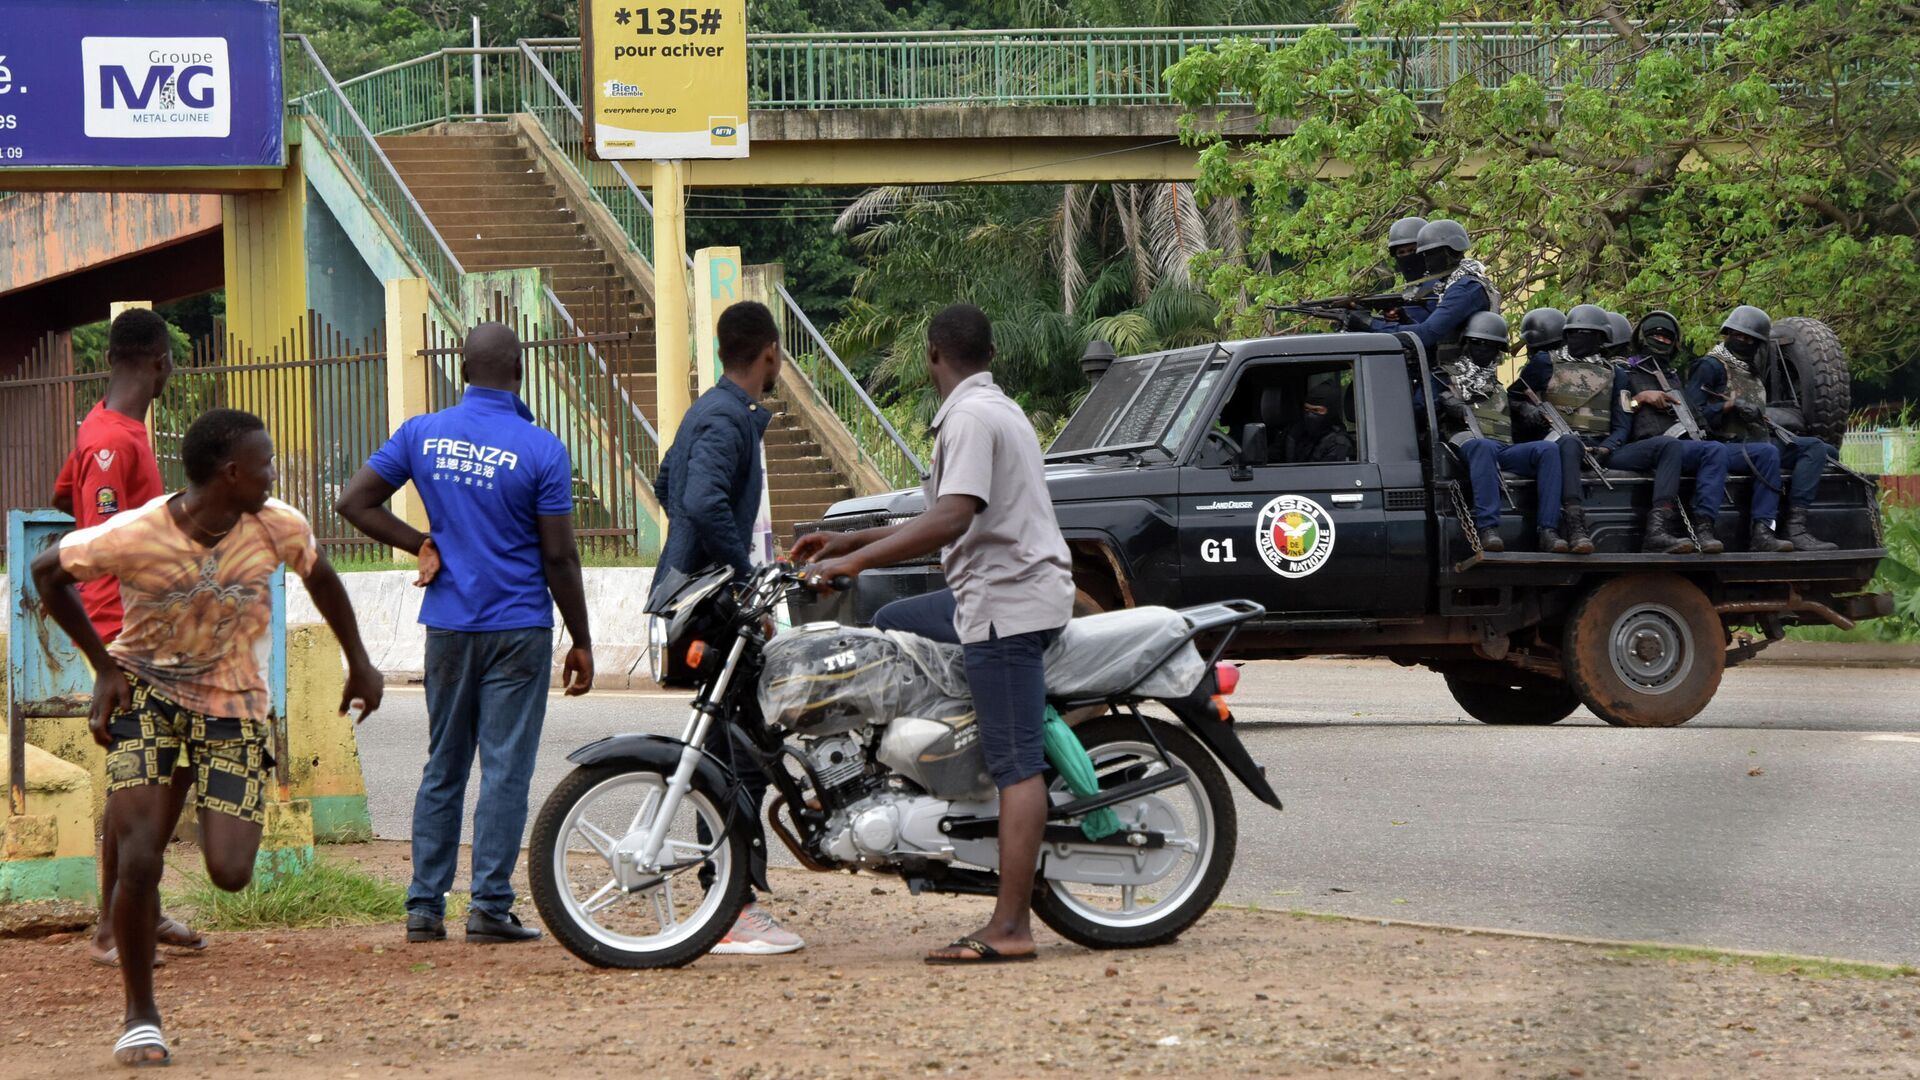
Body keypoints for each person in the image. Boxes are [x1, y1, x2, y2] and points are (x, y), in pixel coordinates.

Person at [31, 409, 384, 1067]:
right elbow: (47, 571)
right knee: (141, 858)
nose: (273, 475)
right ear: (231, 473)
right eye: (266, 463)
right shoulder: (136, 534)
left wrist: (359, 660)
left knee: (230, 871)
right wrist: (103, 667)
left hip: (234, 709)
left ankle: (172, 784)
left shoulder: (278, 524)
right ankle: (140, 1016)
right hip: (146, 695)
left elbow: (323, 577)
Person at [790, 303, 1073, 965]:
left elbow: (950, 519)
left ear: (932, 356)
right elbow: (934, 514)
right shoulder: (991, 408)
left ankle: (1011, 927)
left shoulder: (970, 417)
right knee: (891, 628)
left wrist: (853, 562)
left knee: (1016, 764)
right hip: (997, 594)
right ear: (989, 352)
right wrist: (847, 538)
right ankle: (926, 771)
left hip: (1008, 608)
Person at [336, 322, 593, 947]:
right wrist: (580, 638)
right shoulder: (541, 448)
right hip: (517, 627)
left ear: (462, 368)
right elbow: (559, 556)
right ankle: (489, 908)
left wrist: (420, 543)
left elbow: (353, 502)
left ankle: (424, 907)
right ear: (519, 369)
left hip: (447, 626)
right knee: (505, 768)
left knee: (444, 762)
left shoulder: (421, 433)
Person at [645, 300, 804, 955]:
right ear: (769, 353)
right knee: (740, 754)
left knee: (731, 749)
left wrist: (700, 550)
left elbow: (666, 482)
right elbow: (700, 498)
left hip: (701, 596)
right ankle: (731, 903)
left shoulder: (708, 412)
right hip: (716, 605)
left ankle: (728, 895)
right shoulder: (727, 419)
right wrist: (741, 572)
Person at [48, 309, 204, 968]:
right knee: (139, 778)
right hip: (127, 631)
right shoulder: (114, 442)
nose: (172, 372)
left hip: (146, 624)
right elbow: (109, 541)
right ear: (156, 362)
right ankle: (115, 927)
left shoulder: (101, 431)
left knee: (168, 768)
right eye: (170, 362)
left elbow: (62, 499)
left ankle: (142, 905)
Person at [1433, 313, 1590, 554]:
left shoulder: (1495, 383)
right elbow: (1424, 408)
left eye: (1491, 345)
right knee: (1482, 447)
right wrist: (1446, 402)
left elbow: (1510, 406)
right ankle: (1488, 529)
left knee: (1547, 449)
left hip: (1501, 445)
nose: (1484, 349)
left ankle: (1548, 530)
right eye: (1479, 343)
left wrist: (1525, 409)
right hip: (1465, 445)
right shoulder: (1445, 376)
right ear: (1467, 343)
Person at [1685, 305, 1838, 552]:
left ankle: (1796, 527)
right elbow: (1692, 415)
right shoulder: (1710, 366)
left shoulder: (1753, 370)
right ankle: (1763, 531)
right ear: (1728, 333)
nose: (1744, 341)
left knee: (1819, 449)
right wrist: (1728, 407)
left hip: (1758, 439)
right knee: (1769, 455)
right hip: (1727, 445)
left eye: (1751, 339)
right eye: (1739, 336)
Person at [1598, 310, 1732, 554]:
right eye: (1655, 336)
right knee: (1667, 446)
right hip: (1632, 446)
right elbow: (1613, 414)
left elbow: (1698, 419)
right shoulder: (1621, 372)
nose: (1661, 341)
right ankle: (1657, 531)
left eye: (1667, 338)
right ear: (1642, 338)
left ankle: (1704, 527)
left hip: (1675, 447)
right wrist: (1641, 399)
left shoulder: (1672, 378)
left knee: (1715, 450)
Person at [1403, 219, 1501, 361]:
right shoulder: (1452, 285)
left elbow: (1428, 333)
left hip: (1465, 377)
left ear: (1450, 251)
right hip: (1450, 371)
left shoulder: (1466, 288)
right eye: (1425, 255)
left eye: (1432, 253)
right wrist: (1403, 318)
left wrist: (1371, 325)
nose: (1427, 260)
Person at [1359, 215, 1436, 331]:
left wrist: (1369, 322)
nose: (1407, 257)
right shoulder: (1411, 289)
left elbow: (1429, 331)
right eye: (1401, 252)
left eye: (1412, 250)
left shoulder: (1438, 285)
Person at [1280, 378, 1356, 463]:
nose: (1309, 415)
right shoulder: (1298, 432)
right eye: (1307, 409)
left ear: (1331, 412)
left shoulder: (1339, 443)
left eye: (1316, 410)